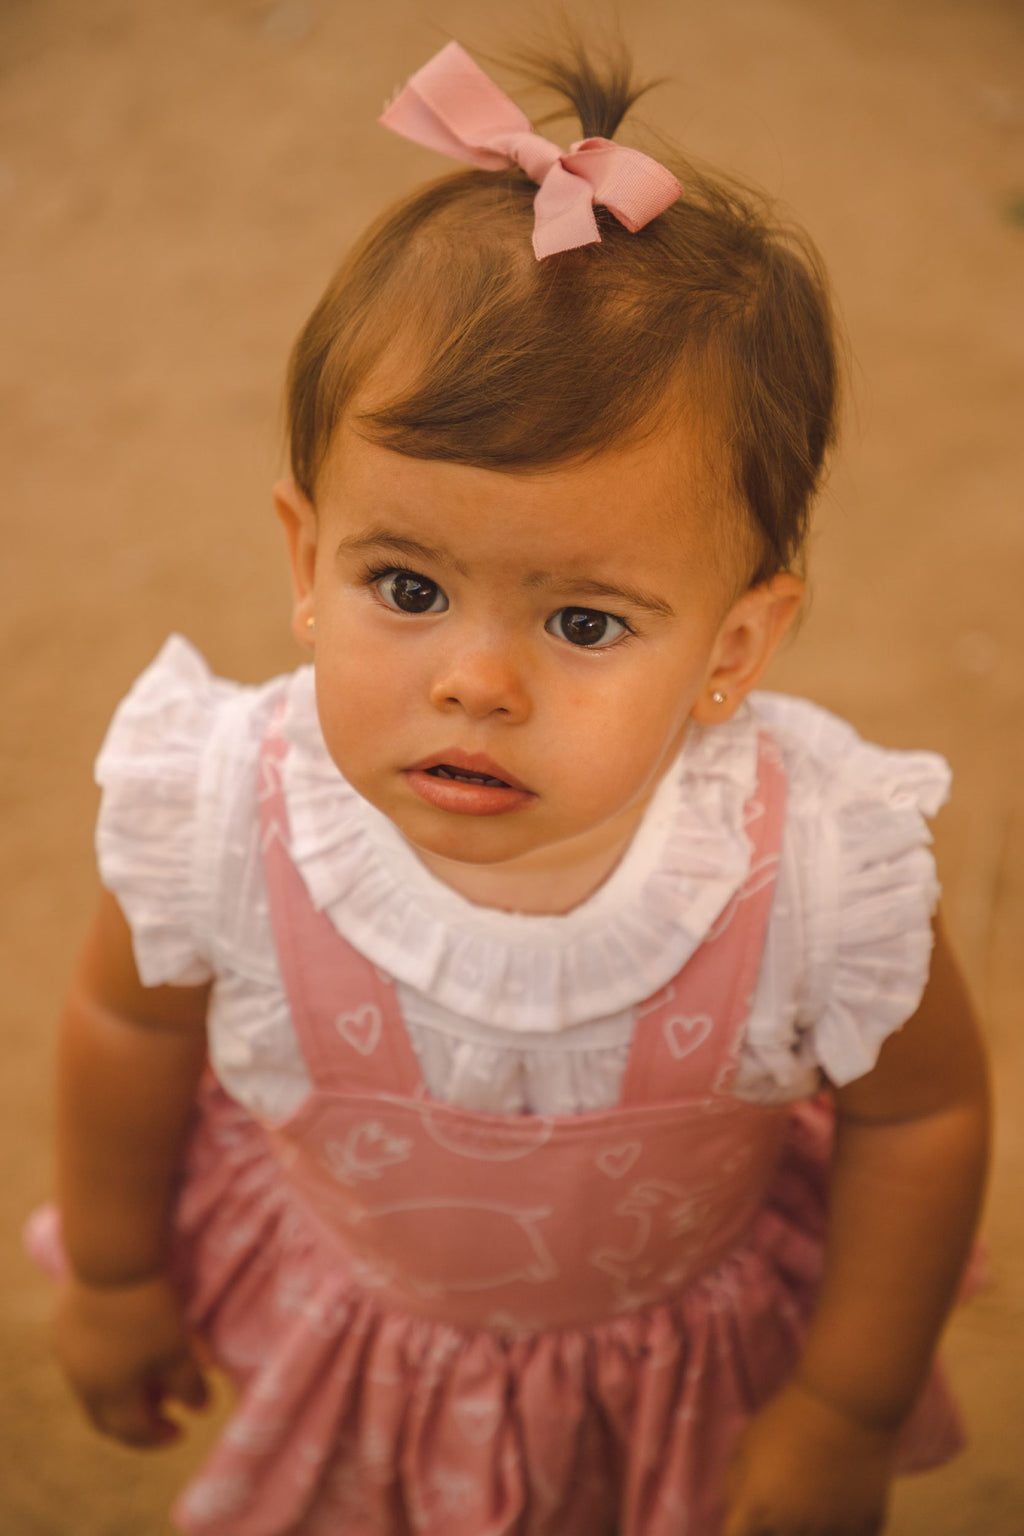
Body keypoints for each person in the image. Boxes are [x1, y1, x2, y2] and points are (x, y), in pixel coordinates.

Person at [27, 37, 990, 1536]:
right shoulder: (221, 805)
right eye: (405, 585)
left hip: (679, 1387)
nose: (477, 681)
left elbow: (922, 1117)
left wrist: (846, 1406)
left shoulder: (814, 867)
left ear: (735, 646)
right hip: (359, 1347)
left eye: (585, 621)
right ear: (305, 560)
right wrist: (114, 1271)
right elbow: (124, 1018)